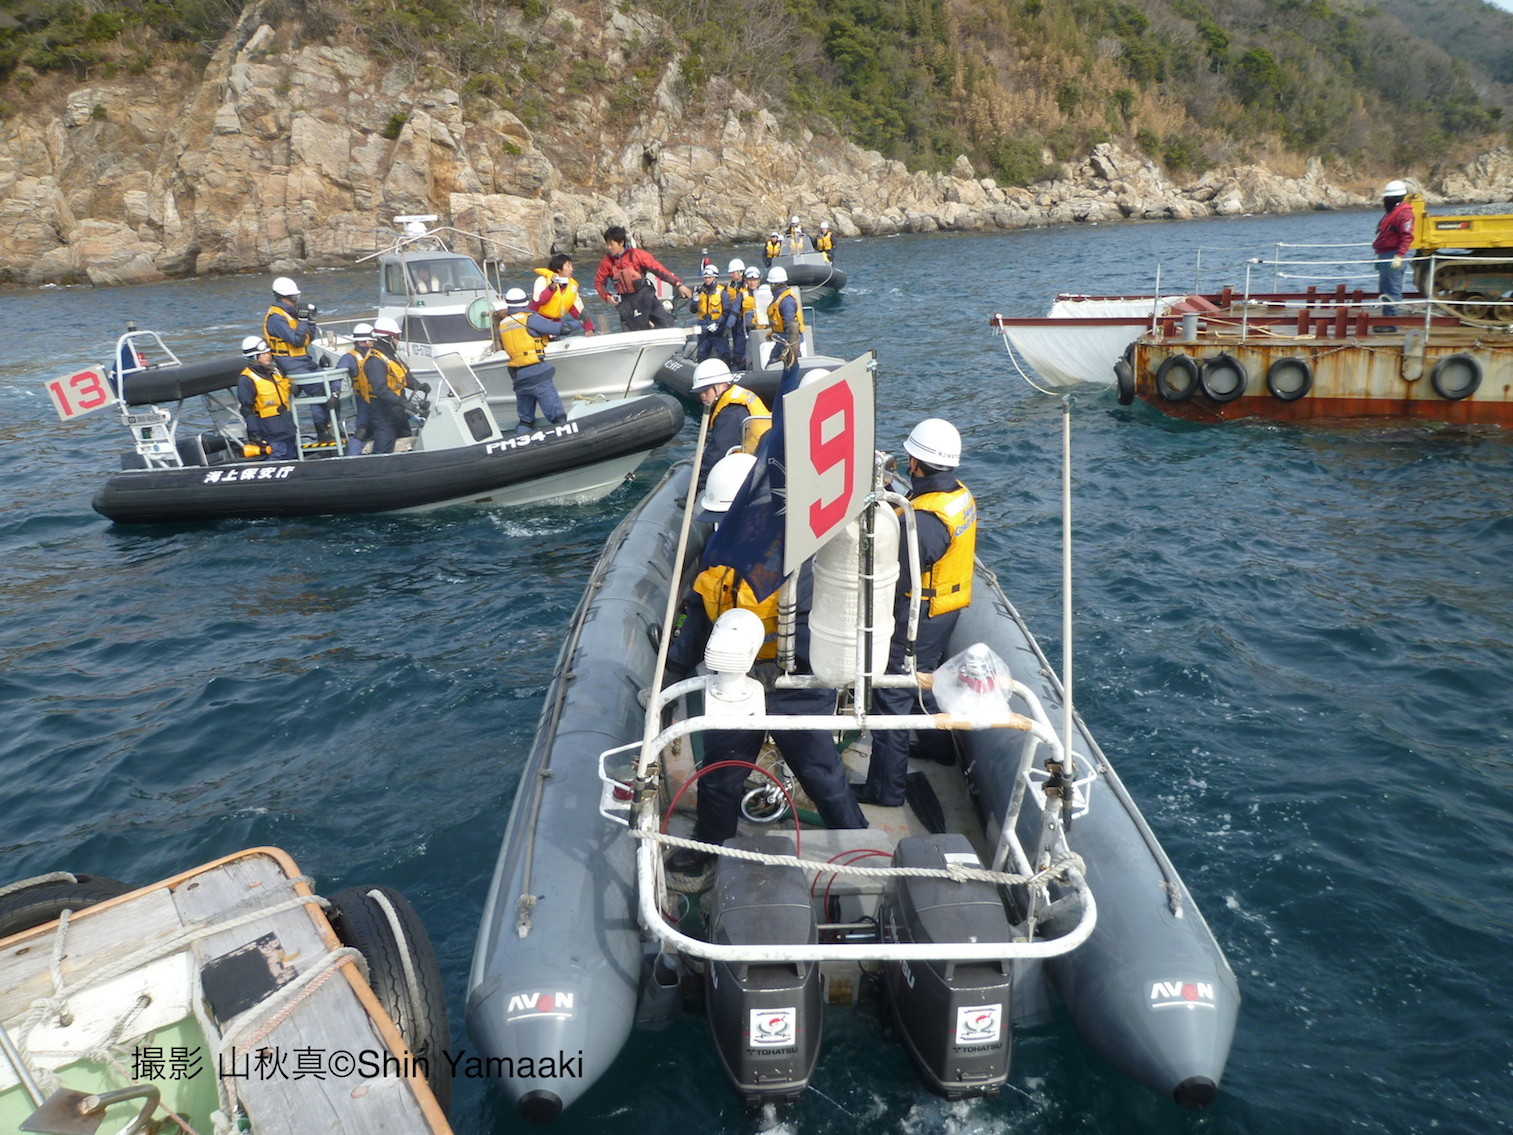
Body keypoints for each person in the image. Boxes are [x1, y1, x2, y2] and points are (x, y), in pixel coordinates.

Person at [664, 452, 867, 876]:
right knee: (721, 773)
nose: (720, 527)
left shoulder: (802, 563)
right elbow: (700, 618)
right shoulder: (718, 558)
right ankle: (711, 846)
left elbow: (825, 627)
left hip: (797, 687)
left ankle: (858, 845)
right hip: (736, 683)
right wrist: (672, 673)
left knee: (820, 771)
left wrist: (788, 671)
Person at [858, 419, 976, 808]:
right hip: (947, 606)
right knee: (923, 678)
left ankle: (886, 790)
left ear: (913, 461)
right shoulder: (957, 496)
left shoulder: (925, 521)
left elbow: (897, 572)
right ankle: (940, 748)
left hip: (920, 616)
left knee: (892, 696)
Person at [263, 276, 335, 442]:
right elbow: (295, 340)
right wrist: (302, 320)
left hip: (304, 361)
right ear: (284, 297)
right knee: (318, 391)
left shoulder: (291, 314)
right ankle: (323, 432)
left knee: (330, 388)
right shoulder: (276, 318)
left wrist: (310, 321)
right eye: (294, 297)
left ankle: (331, 429)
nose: (296, 300)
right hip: (290, 364)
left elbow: (307, 339)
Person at [494, 287, 567, 435]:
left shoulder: (503, 324)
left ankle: (519, 441)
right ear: (525, 303)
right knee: (558, 417)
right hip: (537, 373)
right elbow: (560, 329)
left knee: (525, 420)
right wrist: (580, 323)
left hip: (519, 377)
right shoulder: (530, 319)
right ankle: (565, 437)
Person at [593, 225, 692, 331]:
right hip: (626, 301)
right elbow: (599, 283)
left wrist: (678, 284)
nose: (608, 247)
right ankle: (646, 328)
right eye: (607, 244)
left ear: (621, 243)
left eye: (611, 244)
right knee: (633, 331)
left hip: (645, 296)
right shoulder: (606, 263)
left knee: (667, 324)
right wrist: (607, 297)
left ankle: (652, 327)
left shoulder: (637, 255)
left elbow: (658, 270)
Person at [690, 358, 768, 490]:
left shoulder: (731, 413)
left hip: (752, 467)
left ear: (721, 386)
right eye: (700, 392)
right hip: (761, 455)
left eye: (706, 391)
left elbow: (717, 453)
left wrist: (697, 489)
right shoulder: (737, 397)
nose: (702, 396)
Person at [362, 316, 430, 454]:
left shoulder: (392, 357)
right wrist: (403, 403)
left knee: (406, 442)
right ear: (387, 338)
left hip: (399, 412)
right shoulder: (375, 361)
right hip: (383, 413)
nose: (398, 340)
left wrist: (419, 386)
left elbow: (405, 377)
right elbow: (380, 389)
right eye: (396, 336)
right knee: (384, 446)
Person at [235, 336, 297, 461]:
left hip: (287, 426)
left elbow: (286, 391)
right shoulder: (247, 379)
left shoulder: (275, 372)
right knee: (278, 455)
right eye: (263, 354)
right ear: (254, 357)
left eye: (268, 352)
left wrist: (295, 389)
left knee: (291, 454)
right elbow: (247, 409)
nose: (267, 356)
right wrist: (255, 435)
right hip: (269, 431)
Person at [1373, 179, 1415, 330]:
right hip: (1385, 254)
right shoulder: (1393, 213)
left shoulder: (1404, 214)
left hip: (1393, 255)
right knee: (1385, 289)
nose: (1385, 200)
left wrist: (1399, 255)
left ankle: (1392, 323)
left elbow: (1406, 236)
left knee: (1392, 289)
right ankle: (1387, 319)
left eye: (1387, 198)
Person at [531, 253, 596, 336]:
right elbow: (540, 301)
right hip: (537, 322)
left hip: (555, 323)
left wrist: (588, 328)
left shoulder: (571, 286)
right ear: (559, 269)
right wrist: (552, 286)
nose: (571, 269)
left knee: (564, 330)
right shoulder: (542, 281)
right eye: (568, 266)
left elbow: (576, 309)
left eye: (572, 266)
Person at [338, 323, 375, 455]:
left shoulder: (377, 354)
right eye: (370, 340)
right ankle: (351, 458)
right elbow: (337, 376)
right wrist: (334, 393)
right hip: (364, 400)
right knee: (362, 430)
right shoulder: (350, 358)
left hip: (382, 398)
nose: (373, 343)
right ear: (362, 341)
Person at [691, 264, 731, 363]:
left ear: (714, 278)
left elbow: (727, 311)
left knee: (723, 353)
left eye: (709, 277)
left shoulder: (722, 292)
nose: (707, 280)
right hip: (704, 328)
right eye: (705, 278)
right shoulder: (699, 292)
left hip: (717, 328)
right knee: (702, 353)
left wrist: (718, 323)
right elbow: (693, 310)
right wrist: (695, 300)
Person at [765, 265, 803, 366]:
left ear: (774, 284)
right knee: (772, 363)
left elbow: (789, 324)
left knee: (774, 364)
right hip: (781, 339)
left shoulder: (786, 301)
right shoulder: (780, 298)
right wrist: (772, 334)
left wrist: (788, 344)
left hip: (787, 341)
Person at [725, 259, 753, 367]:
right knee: (737, 345)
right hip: (734, 319)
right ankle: (737, 362)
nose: (731, 275)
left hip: (746, 320)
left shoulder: (747, 286)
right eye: (730, 273)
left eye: (733, 272)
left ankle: (744, 362)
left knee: (745, 344)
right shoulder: (729, 286)